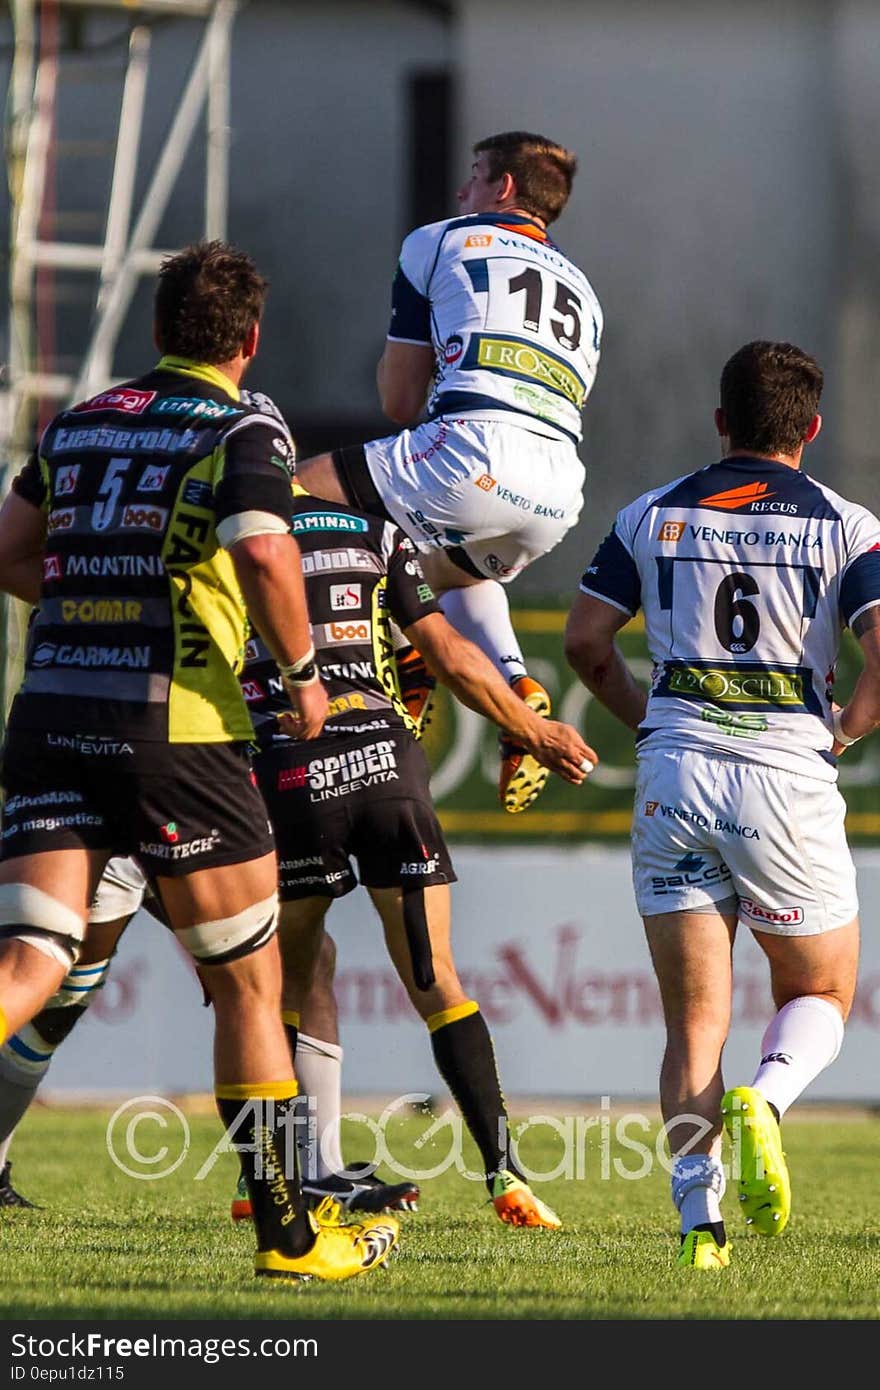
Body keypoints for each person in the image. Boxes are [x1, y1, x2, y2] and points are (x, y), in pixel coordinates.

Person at [0, 239, 399, 1282]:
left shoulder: (80, 421)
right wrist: (303, 668)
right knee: (248, 985)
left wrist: (99, 611)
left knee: (28, 964)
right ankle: (290, 1237)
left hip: (50, 714)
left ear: (158, 332)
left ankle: (289, 1228)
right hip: (174, 733)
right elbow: (266, 546)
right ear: (248, 340)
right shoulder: (241, 421)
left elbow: (8, 548)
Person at [563, 340, 880, 1270]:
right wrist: (848, 730)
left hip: (676, 776)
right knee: (820, 988)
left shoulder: (650, 513)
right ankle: (768, 1099)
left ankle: (700, 1230)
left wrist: (646, 723)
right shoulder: (846, 526)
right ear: (811, 430)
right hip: (784, 777)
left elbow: (586, 642)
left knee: (694, 1022)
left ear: (719, 421)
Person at [230, 486, 596, 1228]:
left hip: (292, 770)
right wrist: (531, 725)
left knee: (284, 985)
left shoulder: (230, 540)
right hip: (387, 768)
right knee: (437, 980)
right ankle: (505, 1174)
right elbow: (447, 651)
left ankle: (272, 1179)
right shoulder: (373, 532)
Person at [295, 131, 603, 814]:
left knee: (283, 493)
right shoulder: (583, 287)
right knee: (448, 566)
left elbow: (398, 402)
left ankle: (369, 664)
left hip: (474, 452)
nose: (463, 191)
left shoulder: (441, 239)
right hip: (556, 492)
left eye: (474, 176)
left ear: (505, 188)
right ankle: (515, 678)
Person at [0, 858, 419, 1216]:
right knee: (56, 1006)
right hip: (120, 836)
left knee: (299, 959)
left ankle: (315, 1172)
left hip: (189, 832)